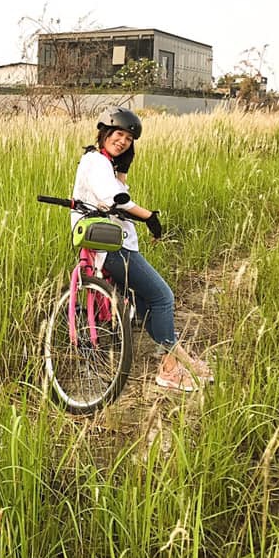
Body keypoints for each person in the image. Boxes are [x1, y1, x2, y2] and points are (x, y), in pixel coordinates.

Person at [71, 106, 213, 391]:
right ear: (105, 132)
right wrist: (149, 216)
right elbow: (116, 198)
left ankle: (179, 358)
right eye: (118, 133)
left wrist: (122, 169)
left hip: (113, 243)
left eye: (129, 138)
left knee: (147, 304)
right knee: (162, 296)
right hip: (112, 247)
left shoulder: (106, 164)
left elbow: (115, 191)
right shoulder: (95, 161)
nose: (123, 140)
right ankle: (170, 369)